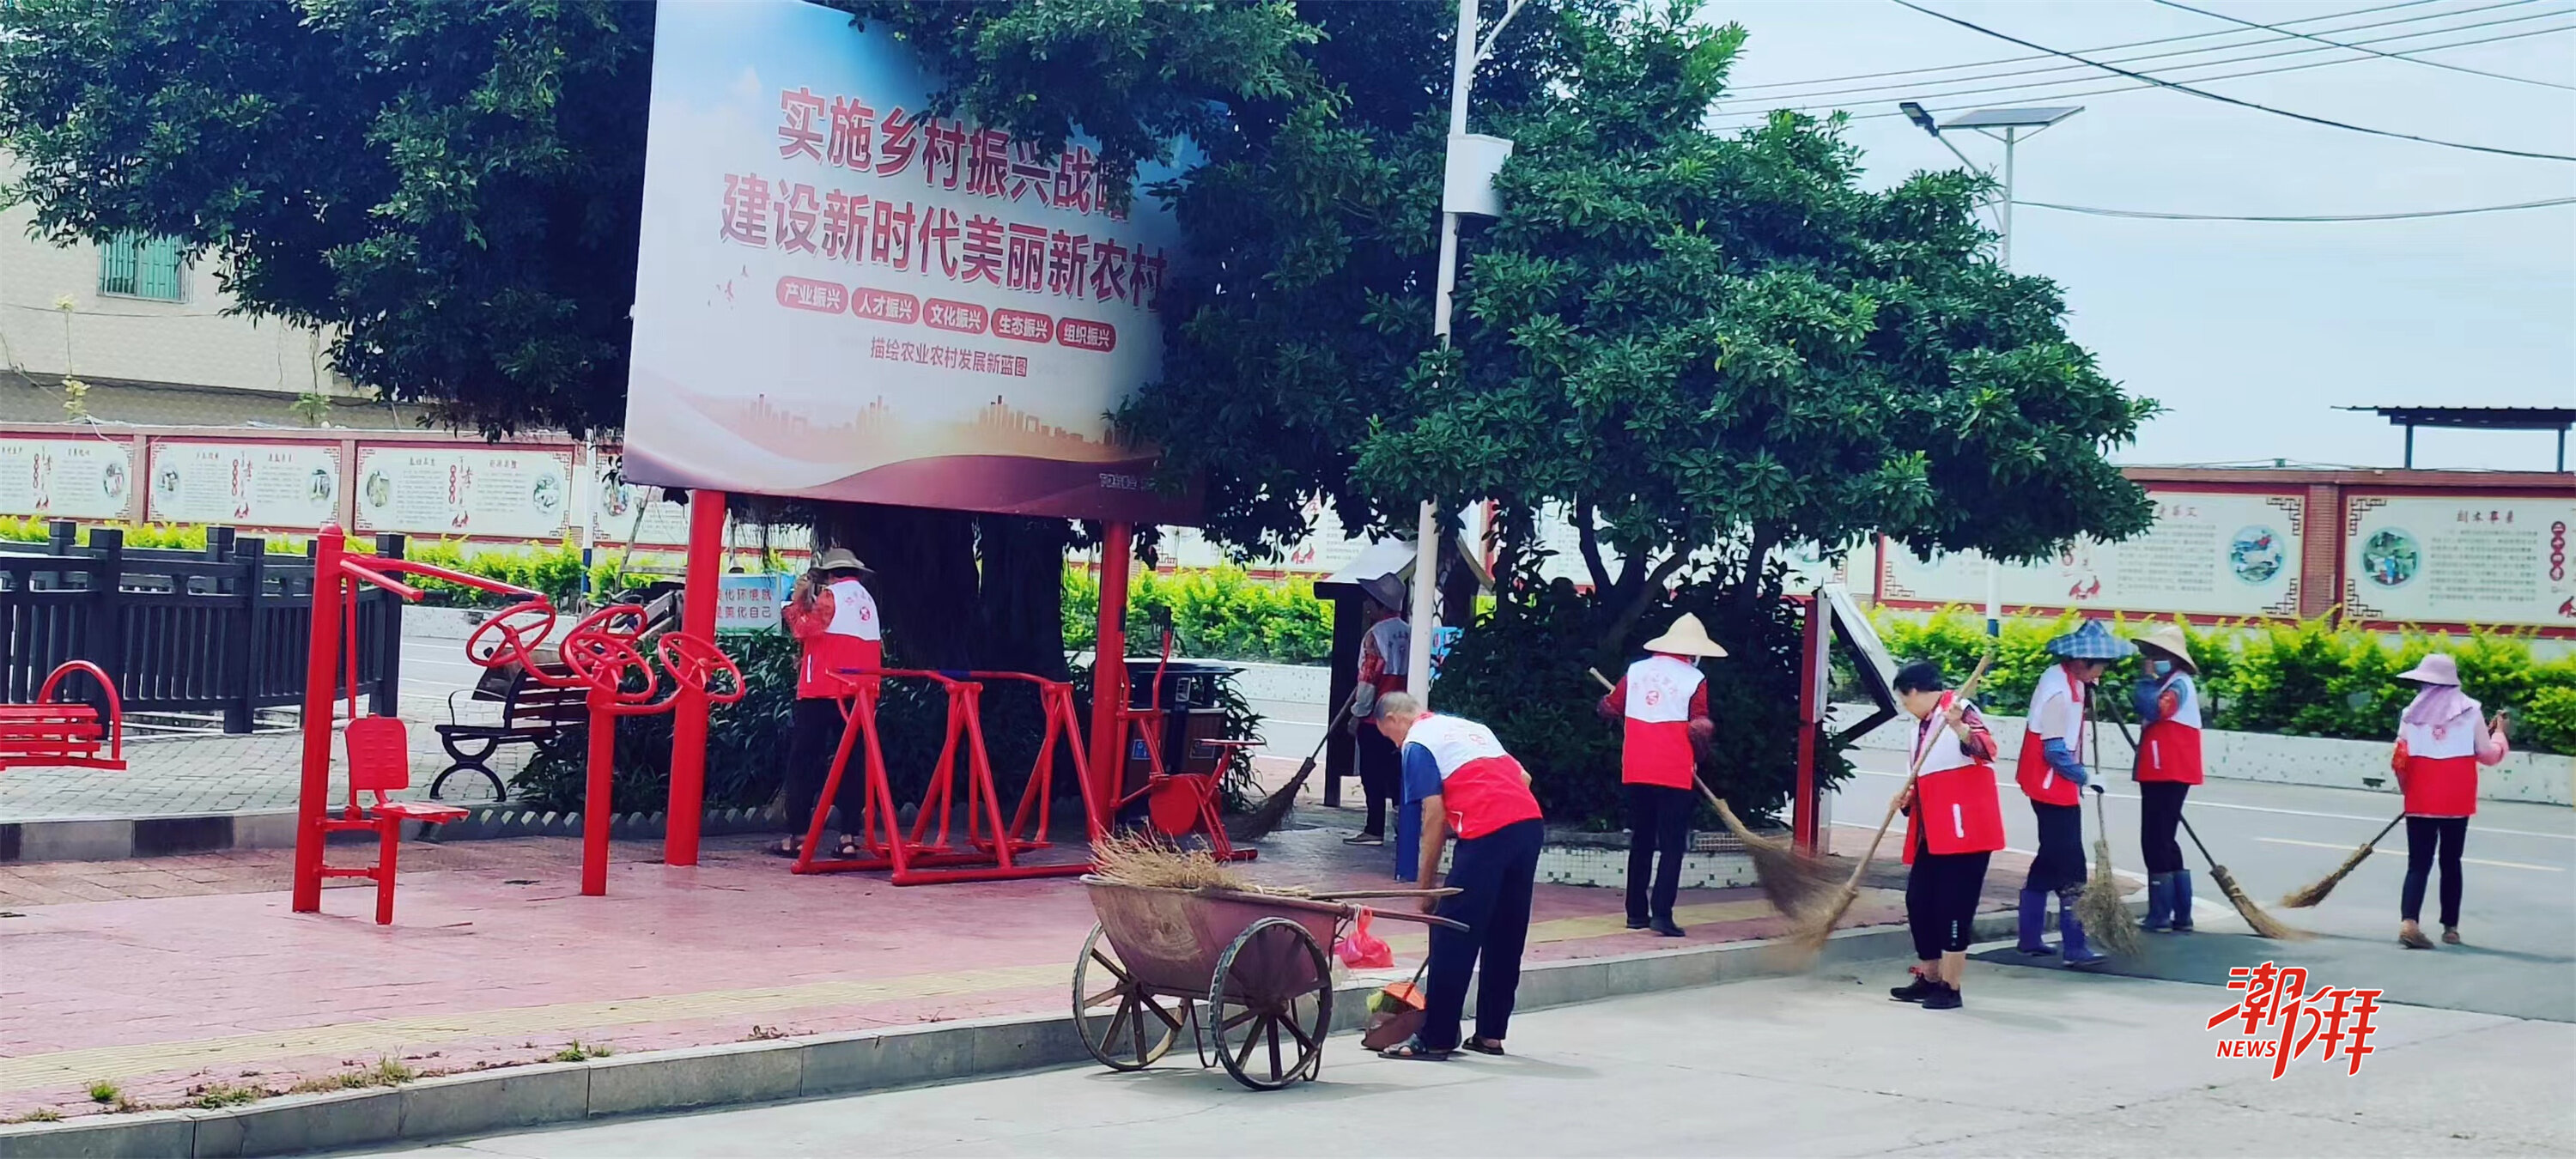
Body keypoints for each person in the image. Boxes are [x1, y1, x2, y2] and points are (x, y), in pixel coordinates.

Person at [1373, 692, 1545, 1061]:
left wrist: (1425, 888)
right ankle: (1490, 1035)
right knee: (1506, 931)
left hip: (1487, 832)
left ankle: (1435, 1038)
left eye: (1391, 737)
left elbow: (1433, 818)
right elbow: (1524, 777)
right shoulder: (1471, 728)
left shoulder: (1417, 744)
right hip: (1528, 826)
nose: (1395, 743)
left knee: (1451, 930)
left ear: (1393, 721)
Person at [1595, 613, 1725, 937]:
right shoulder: (1695, 679)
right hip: (1674, 770)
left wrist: (1617, 706)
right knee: (1670, 844)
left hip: (1636, 767)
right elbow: (1699, 726)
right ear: (1693, 652)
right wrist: (1702, 755)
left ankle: (1635, 913)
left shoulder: (1636, 670)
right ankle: (1662, 915)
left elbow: (1611, 707)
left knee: (1641, 839)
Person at [1888, 659, 2004, 1011]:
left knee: (1954, 907)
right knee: (1919, 901)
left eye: (1904, 699)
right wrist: (1908, 800)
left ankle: (1951, 987)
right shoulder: (1918, 730)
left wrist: (1960, 729)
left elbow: (1987, 750)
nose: (1905, 707)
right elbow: (1924, 780)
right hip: (1932, 832)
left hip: (1965, 829)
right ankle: (1930, 976)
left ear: (1914, 691)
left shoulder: (1959, 709)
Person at [2014, 619, 2130, 967]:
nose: (2103, 671)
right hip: (2051, 784)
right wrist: (2085, 777)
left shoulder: (2069, 680)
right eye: (2100, 665)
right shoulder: (2059, 693)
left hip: (2051, 783)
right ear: (2082, 662)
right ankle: (2076, 947)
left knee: (2048, 862)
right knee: (2073, 869)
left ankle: (2029, 938)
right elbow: (2054, 750)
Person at [2389, 653, 2510, 950]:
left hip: (2420, 798)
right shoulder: (2471, 711)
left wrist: (2410, 793)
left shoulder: (2409, 714)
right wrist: (2501, 735)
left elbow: (2400, 760)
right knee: (2451, 862)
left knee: (2417, 864)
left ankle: (2409, 922)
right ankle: (2451, 928)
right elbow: (2488, 755)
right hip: (2457, 799)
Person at [776, 548, 882, 859]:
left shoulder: (830, 597)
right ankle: (849, 835)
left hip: (823, 689)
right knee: (852, 760)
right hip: (861, 691)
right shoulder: (867, 601)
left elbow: (801, 628)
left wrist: (797, 600)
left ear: (828, 575)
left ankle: (797, 834)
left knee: (805, 759)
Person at [2129, 625, 2203, 933]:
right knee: (2165, 838)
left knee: (2155, 839)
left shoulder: (2178, 685)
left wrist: (2145, 681)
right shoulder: (2170, 682)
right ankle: (2180, 914)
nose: (2150, 660)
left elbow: (2155, 709)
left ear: (2172, 658)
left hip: (2169, 770)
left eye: (2155, 655)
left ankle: (2161, 913)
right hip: (2164, 769)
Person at [1343, 578, 1413, 847]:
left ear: (1378, 605)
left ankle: (1373, 830)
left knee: (1372, 773)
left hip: (1377, 717)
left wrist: (1357, 714)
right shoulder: (1409, 631)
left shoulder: (1375, 636)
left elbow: (1368, 680)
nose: (1365, 604)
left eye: (1369, 600)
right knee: (1398, 772)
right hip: (1404, 716)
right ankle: (1403, 827)